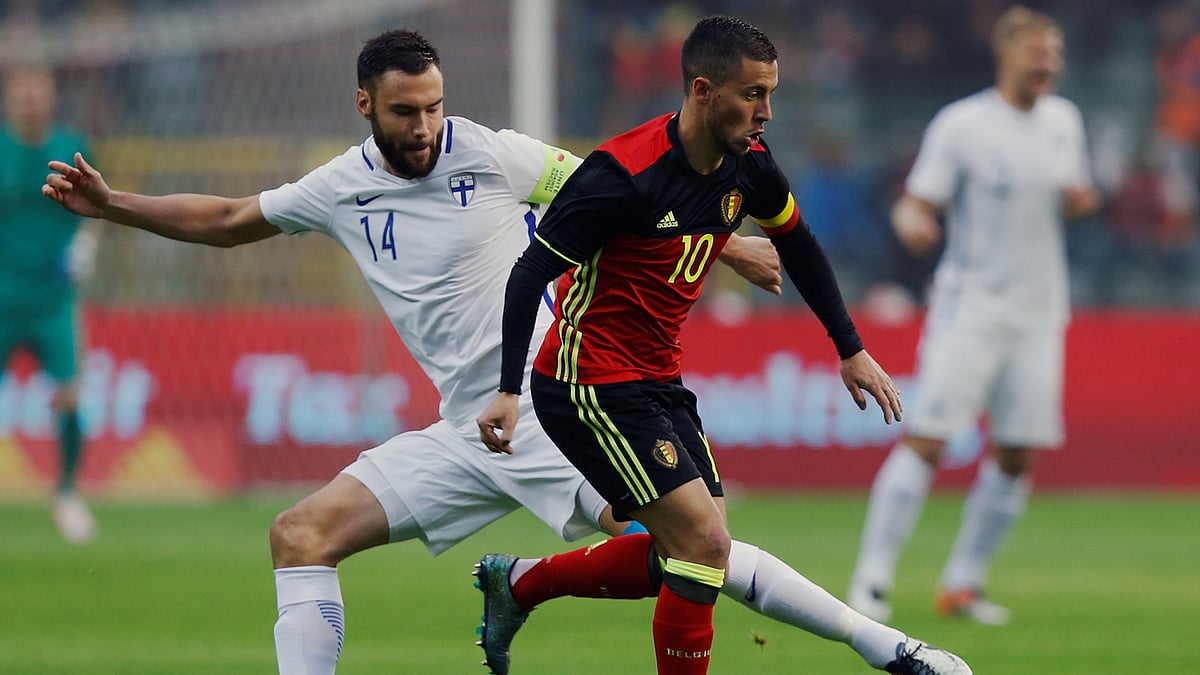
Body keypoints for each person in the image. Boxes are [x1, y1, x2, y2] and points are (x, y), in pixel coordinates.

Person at [42, 28, 958, 675]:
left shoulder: (489, 152)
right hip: (465, 425)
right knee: (299, 535)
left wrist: (727, 244)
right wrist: (115, 203)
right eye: (405, 112)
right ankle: (521, 584)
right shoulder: (338, 186)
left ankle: (881, 644)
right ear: (365, 105)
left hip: (551, 398)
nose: (426, 128)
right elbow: (231, 218)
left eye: (435, 107)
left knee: (699, 546)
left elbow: (625, 203)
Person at [477, 15, 968, 675]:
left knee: (698, 556)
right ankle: (524, 586)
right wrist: (508, 390)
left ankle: (521, 584)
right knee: (703, 544)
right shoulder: (621, 175)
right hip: (587, 381)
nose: (766, 111)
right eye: (752, 94)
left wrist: (848, 347)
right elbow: (529, 271)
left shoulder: (750, 167)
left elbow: (798, 243)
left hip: (657, 379)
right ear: (704, 91)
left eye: (771, 94)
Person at [846, 6, 1100, 626]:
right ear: (1007, 55)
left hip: (1040, 310)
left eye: (1055, 55)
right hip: (972, 307)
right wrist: (914, 223)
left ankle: (963, 583)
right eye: (1039, 54)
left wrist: (1081, 202)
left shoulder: (1065, 121)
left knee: (1017, 453)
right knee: (929, 438)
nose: (1049, 65)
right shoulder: (963, 125)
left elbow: (1073, 196)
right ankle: (870, 580)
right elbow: (916, 202)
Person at [2, 64, 97, 544]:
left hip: (52, 299)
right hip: (1, 296)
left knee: (70, 394)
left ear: (51, 99)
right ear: (9, 100)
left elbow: (95, 210)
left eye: (38, 95)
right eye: (22, 95)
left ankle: (66, 492)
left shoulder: (70, 148)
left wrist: (86, 246)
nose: (30, 103)